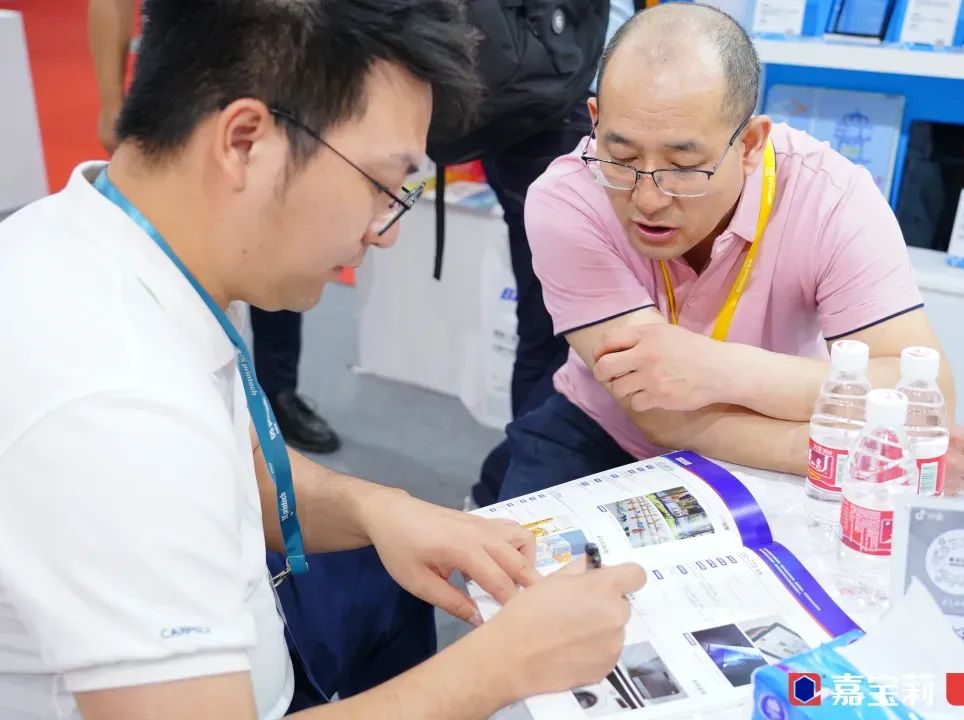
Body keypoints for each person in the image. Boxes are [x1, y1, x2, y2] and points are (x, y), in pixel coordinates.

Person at [0, 2, 645, 719]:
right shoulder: (115, 408)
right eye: (382, 184)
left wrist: (375, 508)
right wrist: (504, 665)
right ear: (245, 141)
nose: (384, 231)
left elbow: (233, 466)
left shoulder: (103, 241)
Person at [500, 4, 964, 503]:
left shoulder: (829, 196)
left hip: (771, 422)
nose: (649, 199)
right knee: (516, 556)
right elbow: (655, 408)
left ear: (749, 144)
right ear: (595, 121)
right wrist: (843, 449)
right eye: (622, 156)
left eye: (685, 166)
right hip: (603, 431)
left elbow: (925, 392)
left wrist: (717, 368)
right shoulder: (567, 198)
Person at [88, 0, 341, 454]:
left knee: (277, 230)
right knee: (179, 240)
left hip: (283, 70)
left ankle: (276, 392)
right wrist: (110, 100)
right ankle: (175, 388)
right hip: (185, 75)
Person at [472, 0, 639, 508]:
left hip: (537, 111)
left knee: (546, 326)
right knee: (566, 334)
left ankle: (511, 483)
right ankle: (516, 482)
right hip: (554, 114)